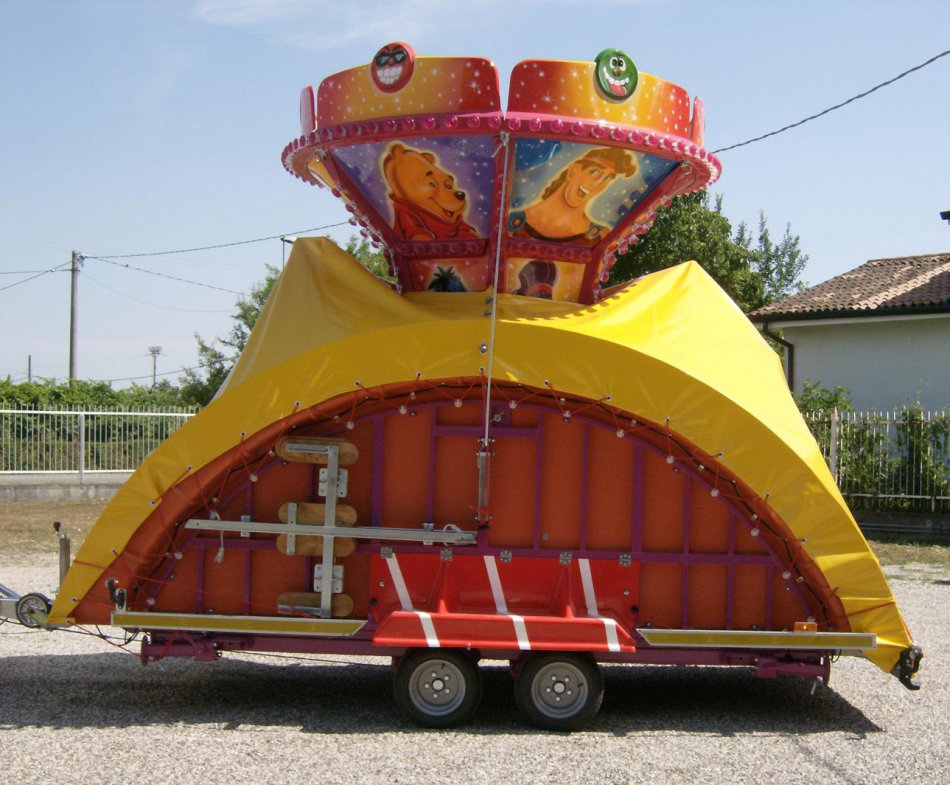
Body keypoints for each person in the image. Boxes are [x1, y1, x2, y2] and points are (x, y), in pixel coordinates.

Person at [509, 147, 636, 244]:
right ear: (573, 171)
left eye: (607, 178)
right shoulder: (512, 224)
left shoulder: (599, 236)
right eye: (594, 171)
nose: (597, 183)